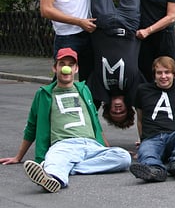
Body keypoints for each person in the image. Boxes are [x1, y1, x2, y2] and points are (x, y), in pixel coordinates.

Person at [0, 48, 131, 192]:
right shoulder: (44, 94)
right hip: (63, 146)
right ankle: (54, 179)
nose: (66, 68)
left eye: (70, 64)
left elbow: (95, 122)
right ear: (55, 68)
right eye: (62, 63)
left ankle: (68, 168)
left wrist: (106, 148)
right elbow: (32, 126)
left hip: (91, 145)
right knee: (54, 160)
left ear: (76, 69)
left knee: (123, 157)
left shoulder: (84, 90)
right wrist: (18, 157)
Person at [80, 0, 155, 129]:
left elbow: (88, 115)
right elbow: (145, 112)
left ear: (108, 108)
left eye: (115, 112)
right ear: (128, 108)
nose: (118, 109)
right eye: (122, 112)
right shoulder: (136, 89)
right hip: (130, 25)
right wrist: (143, 138)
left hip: (102, 25)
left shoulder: (97, 90)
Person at [130, 56, 175, 182]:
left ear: (174, 74)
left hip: (173, 137)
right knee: (147, 152)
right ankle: (155, 170)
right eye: (159, 73)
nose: (163, 76)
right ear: (154, 74)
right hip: (152, 137)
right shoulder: (143, 90)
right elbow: (140, 119)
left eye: (167, 72)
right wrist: (142, 140)